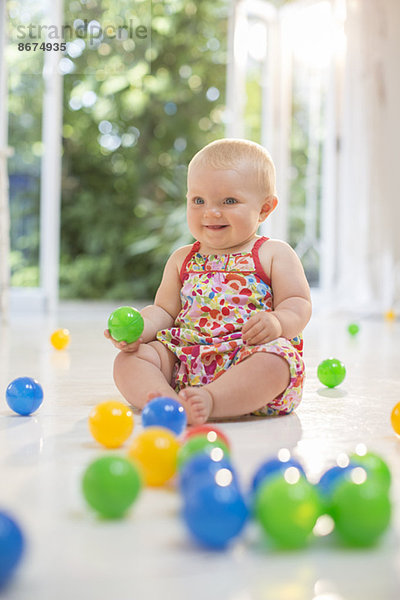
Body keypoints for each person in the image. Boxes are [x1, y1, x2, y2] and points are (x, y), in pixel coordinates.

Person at [104, 138, 311, 425]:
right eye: (198, 201)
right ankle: (168, 402)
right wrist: (141, 329)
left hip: (246, 355)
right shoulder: (182, 258)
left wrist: (277, 322)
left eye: (229, 201)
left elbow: (298, 303)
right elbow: (164, 311)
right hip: (185, 360)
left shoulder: (272, 254)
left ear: (264, 209)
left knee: (278, 359)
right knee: (130, 360)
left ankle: (213, 400)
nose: (210, 211)